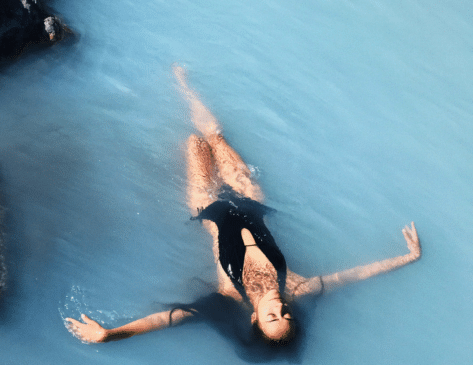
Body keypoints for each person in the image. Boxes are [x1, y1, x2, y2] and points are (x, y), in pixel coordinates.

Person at [65, 66, 421, 345]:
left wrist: (111, 333)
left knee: (194, 144)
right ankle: (184, 84)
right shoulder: (298, 287)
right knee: (215, 135)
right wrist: (408, 257)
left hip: (209, 209)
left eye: (272, 318)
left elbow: (170, 318)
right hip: (251, 203)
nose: (280, 311)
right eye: (286, 317)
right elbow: (355, 274)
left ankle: (176, 95)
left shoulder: (229, 295)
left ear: (254, 318)